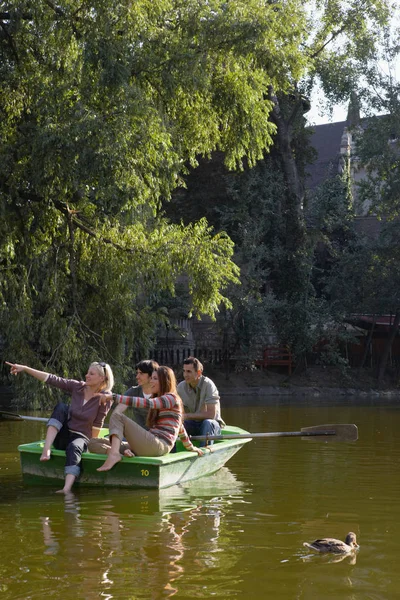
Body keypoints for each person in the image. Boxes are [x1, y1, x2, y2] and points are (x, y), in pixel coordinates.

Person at [6, 360, 113, 493]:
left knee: (74, 447)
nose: (87, 375)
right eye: (87, 372)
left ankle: (66, 489)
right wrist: (26, 368)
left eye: (91, 374)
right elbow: (51, 379)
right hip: (63, 436)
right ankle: (47, 449)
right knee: (62, 407)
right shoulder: (77, 387)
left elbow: (98, 424)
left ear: (101, 378)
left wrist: (93, 446)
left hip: (81, 438)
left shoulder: (105, 398)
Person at [90, 365, 204, 471]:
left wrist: (113, 397)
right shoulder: (164, 401)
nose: (151, 381)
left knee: (117, 416)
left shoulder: (171, 398)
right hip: (149, 444)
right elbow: (180, 428)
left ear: (164, 381)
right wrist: (190, 446)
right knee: (92, 442)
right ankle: (119, 452)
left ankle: (114, 454)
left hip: (158, 445)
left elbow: (148, 403)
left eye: (155, 378)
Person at [177, 356, 224, 446]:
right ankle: (172, 455)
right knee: (176, 425)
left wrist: (186, 416)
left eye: (189, 372)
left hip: (212, 426)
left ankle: (205, 454)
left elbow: (211, 415)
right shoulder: (180, 387)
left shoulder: (209, 385)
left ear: (198, 373)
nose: (185, 375)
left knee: (207, 423)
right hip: (193, 424)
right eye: (184, 371)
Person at [121, 359, 159, 428]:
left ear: (151, 375)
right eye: (137, 373)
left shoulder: (162, 394)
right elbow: (119, 409)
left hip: (157, 435)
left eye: (141, 373)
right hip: (137, 433)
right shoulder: (133, 391)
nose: (137, 377)